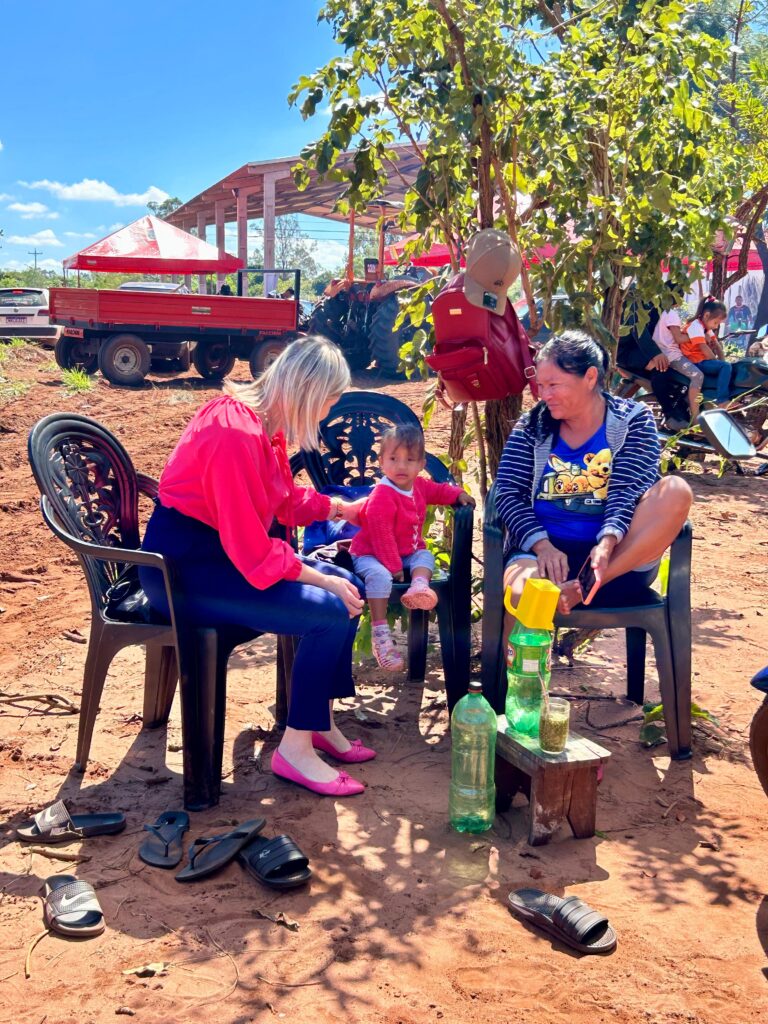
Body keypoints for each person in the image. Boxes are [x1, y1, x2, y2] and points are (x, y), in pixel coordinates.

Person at [138, 337, 374, 798]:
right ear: (306, 391)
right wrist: (318, 575)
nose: (326, 414)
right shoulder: (234, 432)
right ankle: (295, 751)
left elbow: (283, 500)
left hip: (221, 558)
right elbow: (251, 549)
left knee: (348, 584)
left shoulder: (261, 424)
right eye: (328, 402)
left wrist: (341, 509)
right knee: (330, 607)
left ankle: (315, 721)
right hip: (185, 572)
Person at [496, 331, 692, 621]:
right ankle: (525, 667)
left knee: (676, 490)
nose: (543, 395)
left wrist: (607, 545)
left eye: (553, 384)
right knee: (524, 594)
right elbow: (507, 493)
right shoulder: (532, 425)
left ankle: (585, 584)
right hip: (545, 559)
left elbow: (628, 490)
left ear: (589, 377)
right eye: (540, 385)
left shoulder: (632, 420)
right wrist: (543, 546)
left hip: (618, 565)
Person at [349, 424, 475, 671]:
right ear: (381, 462)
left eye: (410, 460)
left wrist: (458, 494)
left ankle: (419, 587)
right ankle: (381, 635)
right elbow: (381, 535)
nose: (401, 466)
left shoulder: (418, 486)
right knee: (380, 576)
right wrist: (394, 567)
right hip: (370, 554)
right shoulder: (382, 495)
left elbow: (439, 491)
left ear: (421, 464)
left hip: (405, 553)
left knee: (425, 556)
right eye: (393, 459)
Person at [651, 293, 705, 422]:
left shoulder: (664, 313)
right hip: (671, 356)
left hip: (665, 354)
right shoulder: (672, 314)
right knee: (698, 376)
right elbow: (679, 339)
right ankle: (696, 416)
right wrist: (699, 338)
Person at [680, 296, 732, 409]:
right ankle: (722, 400)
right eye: (716, 322)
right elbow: (704, 348)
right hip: (695, 362)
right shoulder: (695, 326)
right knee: (725, 367)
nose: (716, 326)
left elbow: (717, 345)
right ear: (706, 315)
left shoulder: (705, 328)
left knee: (727, 366)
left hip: (701, 360)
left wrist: (723, 361)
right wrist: (720, 364)